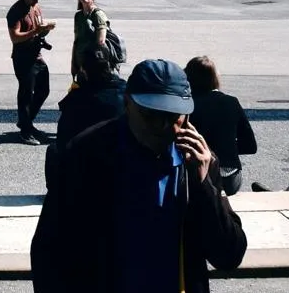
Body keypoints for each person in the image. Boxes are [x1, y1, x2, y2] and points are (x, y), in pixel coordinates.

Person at [31, 59, 247, 292]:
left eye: (173, 116)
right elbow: (50, 251)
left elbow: (229, 255)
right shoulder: (87, 154)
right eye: (151, 115)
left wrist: (205, 186)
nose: (163, 126)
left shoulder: (196, 163)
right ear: (127, 103)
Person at [47, 47, 124, 186]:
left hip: (87, 162)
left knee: (53, 150)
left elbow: (63, 137)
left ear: (84, 70)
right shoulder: (125, 92)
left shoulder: (77, 98)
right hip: (120, 158)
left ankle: (58, 195)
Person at [185, 56, 256, 196]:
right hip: (229, 179)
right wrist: (226, 147)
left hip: (199, 177)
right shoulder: (231, 102)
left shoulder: (188, 105)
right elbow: (250, 146)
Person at [6, 0, 54, 144]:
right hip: (23, 58)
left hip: (37, 55)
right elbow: (15, 37)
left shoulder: (36, 7)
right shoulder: (16, 11)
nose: (36, 1)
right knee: (26, 93)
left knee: (44, 90)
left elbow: (38, 29)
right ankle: (25, 131)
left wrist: (44, 31)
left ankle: (25, 121)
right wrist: (35, 31)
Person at [70, 0, 109, 82]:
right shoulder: (78, 16)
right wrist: (73, 64)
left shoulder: (98, 14)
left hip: (94, 67)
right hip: (80, 66)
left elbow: (101, 43)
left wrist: (88, 65)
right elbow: (76, 41)